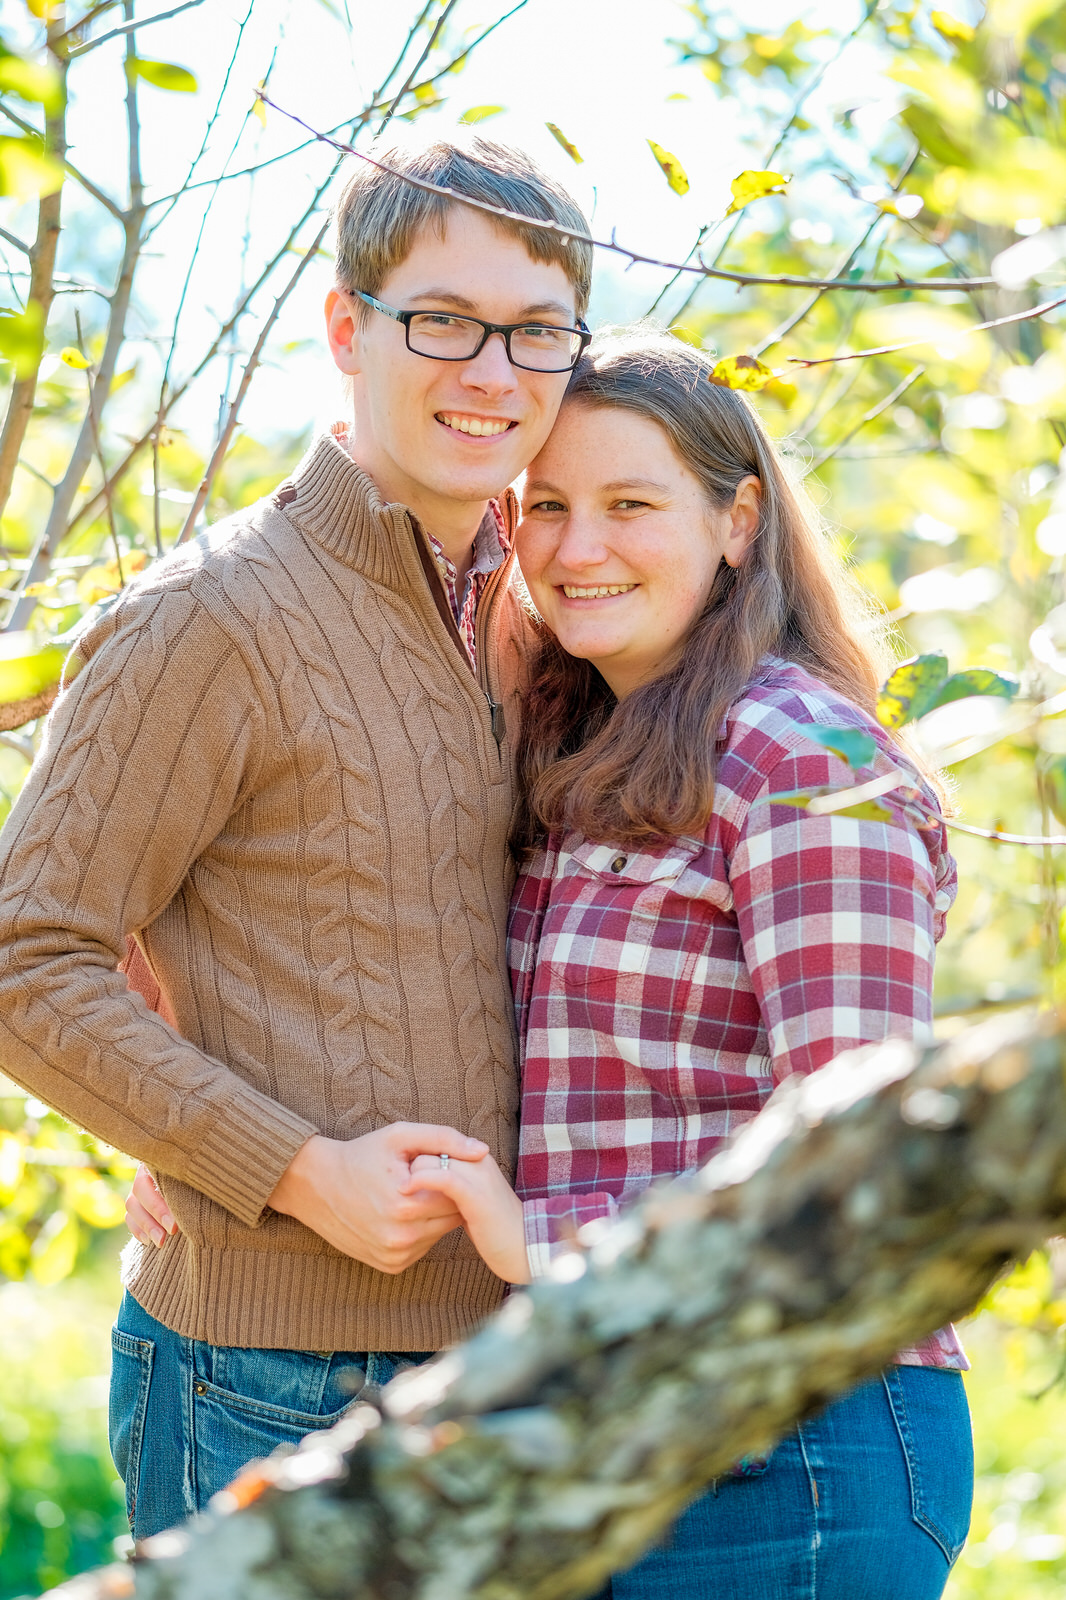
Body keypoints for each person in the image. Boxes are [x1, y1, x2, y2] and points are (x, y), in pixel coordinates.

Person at [0, 135, 594, 1540]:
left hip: (515, 1361)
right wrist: (282, 1164)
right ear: (344, 326)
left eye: (535, 332)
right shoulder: (207, 619)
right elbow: (28, 961)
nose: (491, 373)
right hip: (271, 1377)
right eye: (441, 320)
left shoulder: (546, 617)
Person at [395, 332, 975, 1598]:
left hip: (794, 1444)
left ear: (736, 520)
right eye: (545, 506)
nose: (575, 546)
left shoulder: (803, 761)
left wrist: (537, 1231)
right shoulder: (578, 757)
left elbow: (862, 1174)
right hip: (616, 1428)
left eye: (628, 504)